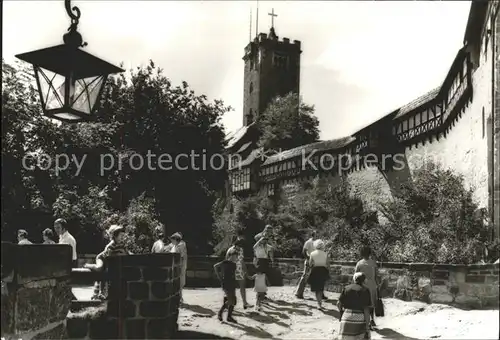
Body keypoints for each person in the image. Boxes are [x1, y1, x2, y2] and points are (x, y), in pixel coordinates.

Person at [85, 225, 130, 300]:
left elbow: (127, 254)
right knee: (100, 269)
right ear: (115, 236)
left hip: (112, 261)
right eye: (120, 235)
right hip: (102, 259)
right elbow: (106, 258)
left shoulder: (122, 245)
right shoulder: (111, 246)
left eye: (123, 236)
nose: (122, 237)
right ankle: (88, 265)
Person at [337, 272, 372, 340]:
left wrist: (342, 313)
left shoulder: (346, 288)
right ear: (364, 280)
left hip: (346, 316)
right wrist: (367, 325)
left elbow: (338, 304)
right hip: (359, 318)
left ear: (354, 279)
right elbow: (366, 309)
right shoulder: (365, 290)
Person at [355, 246, 378, 328]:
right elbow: (376, 275)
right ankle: (372, 319)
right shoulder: (373, 263)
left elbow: (356, 276)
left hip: (363, 285)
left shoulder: (359, 263)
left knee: (364, 304)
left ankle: (365, 321)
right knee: (372, 303)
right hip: (372, 285)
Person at [214, 249, 238, 323]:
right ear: (230, 256)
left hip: (232, 282)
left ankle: (229, 316)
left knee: (233, 300)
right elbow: (215, 266)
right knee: (231, 300)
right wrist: (219, 277)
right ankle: (220, 312)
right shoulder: (225, 262)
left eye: (236, 257)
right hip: (226, 283)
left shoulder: (234, 264)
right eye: (234, 256)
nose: (235, 258)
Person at [226, 238, 251, 309]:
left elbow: (242, 261)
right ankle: (230, 303)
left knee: (242, 286)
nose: (241, 247)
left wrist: (245, 271)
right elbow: (227, 260)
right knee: (232, 287)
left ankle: (244, 302)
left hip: (238, 270)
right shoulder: (231, 250)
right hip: (233, 269)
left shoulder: (239, 250)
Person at [307, 239, 330, 309]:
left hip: (315, 271)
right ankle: (320, 303)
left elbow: (310, 264)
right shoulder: (325, 254)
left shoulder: (312, 253)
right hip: (323, 271)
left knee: (317, 289)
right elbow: (328, 264)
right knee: (321, 287)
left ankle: (319, 304)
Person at [295, 231, 316, 299]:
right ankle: (299, 293)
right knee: (305, 277)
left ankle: (320, 294)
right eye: (316, 235)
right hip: (309, 262)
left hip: (315, 262)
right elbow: (304, 251)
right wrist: (309, 258)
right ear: (313, 235)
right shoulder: (308, 242)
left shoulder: (317, 243)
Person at [170, 232, 187, 303]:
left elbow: (181, 256)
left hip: (180, 266)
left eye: (172, 240)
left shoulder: (181, 246)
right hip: (178, 266)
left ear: (175, 240)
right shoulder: (177, 245)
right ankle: (179, 297)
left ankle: (180, 297)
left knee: (179, 282)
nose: (171, 241)